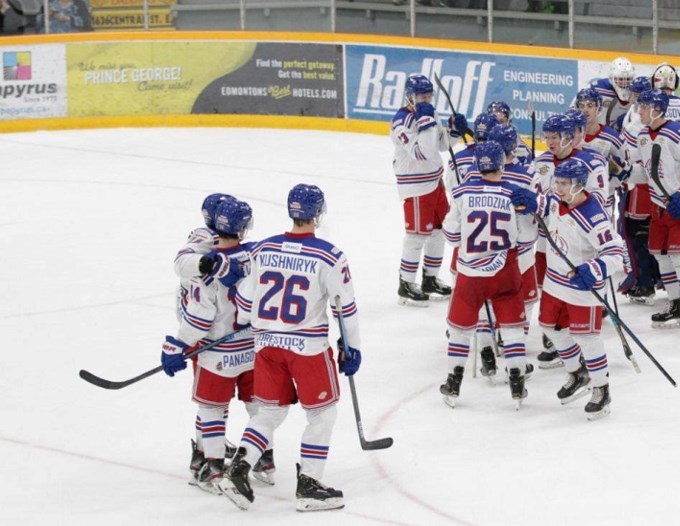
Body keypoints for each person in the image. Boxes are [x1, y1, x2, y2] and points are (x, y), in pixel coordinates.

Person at [220, 184, 362, 512]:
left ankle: (239, 469)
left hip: (267, 346)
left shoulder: (263, 249)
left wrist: (251, 316)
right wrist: (351, 347)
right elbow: (345, 309)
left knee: (269, 413)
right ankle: (309, 484)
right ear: (318, 214)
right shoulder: (330, 255)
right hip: (308, 350)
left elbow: (243, 304)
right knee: (323, 415)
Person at [511, 160, 625, 420]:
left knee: (587, 338)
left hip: (582, 288)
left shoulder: (594, 216)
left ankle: (601, 388)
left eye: (564, 184)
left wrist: (595, 269)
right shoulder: (556, 200)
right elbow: (546, 206)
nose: (559, 188)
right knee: (550, 327)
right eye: (557, 182)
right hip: (554, 282)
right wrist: (529, 199)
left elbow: (615, 252)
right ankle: (577, 372)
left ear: (579, 185)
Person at [160, 197, 260, 494]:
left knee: (212, 406)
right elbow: (183, 262)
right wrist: (210, 262)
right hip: (238, 344)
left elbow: (201, 314)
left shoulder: (240, 254)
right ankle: (254, 458)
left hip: (211, 345)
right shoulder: (211, 242)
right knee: (252, 406)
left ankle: (210, 463)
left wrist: (179, 343)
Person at [439, 141, 530, 408]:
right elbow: (526, 237)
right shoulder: (516, 193)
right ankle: (516, 380)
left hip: (470, 273)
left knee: (460, 330)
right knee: (512, 329)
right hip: (506, 272)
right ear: (502, 163)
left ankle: (454, 382)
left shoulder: (461, 192)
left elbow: (451, 234)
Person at [628, 90, 680, 335]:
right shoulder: (643, 136)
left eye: (643, 107)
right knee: (662, 256)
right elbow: (647, 173)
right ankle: (674, 304)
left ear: (657, 109)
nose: (639, 111)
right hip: (659, 204)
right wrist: (625, 174)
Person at [529, 114, 607, 368]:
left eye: (555, 137)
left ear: (568, 137)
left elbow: (597, 202)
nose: (549, 142)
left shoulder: (591, 162)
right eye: (547, 136)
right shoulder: (540, 162)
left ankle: (582, 348)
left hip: (577, 242)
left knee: (575, 294)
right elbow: (533, 196)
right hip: (546, 242)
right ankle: (559, 343)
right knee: (549, 290)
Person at [391, 74, 466, 306]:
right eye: (421, 95)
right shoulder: (401, 122)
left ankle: (430, 279)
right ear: (410, 96)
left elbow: (440, 146)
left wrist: (454, 133)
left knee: (438, 232)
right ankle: (406, 283)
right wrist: (425, 124)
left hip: (434, 182)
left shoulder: (429, 113)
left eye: (428, 95)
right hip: (415, 186)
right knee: (416, 236)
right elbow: (421, 153)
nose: (426, 99)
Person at [618, 76, 661, 305]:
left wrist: (621, 170)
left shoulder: (637, 125)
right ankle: (654, 278)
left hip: (640, 187)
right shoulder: (636, 118)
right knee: (644, 234)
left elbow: (632, 157)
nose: (634, 98)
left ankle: (645, 282)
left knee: (637, 235)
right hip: (648, 185)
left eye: (638, 94)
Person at [587, 57, 636, 130]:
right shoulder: (597, 88)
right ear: (611, 78)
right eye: (620, 79)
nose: (624, 83)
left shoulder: (635, 92)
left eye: (628, 79)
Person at [486, 100, 533, 164]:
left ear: (508, 122)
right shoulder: (481, 142)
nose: (497, 125)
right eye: (494, 121)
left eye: (501, 121)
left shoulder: (519, 146)